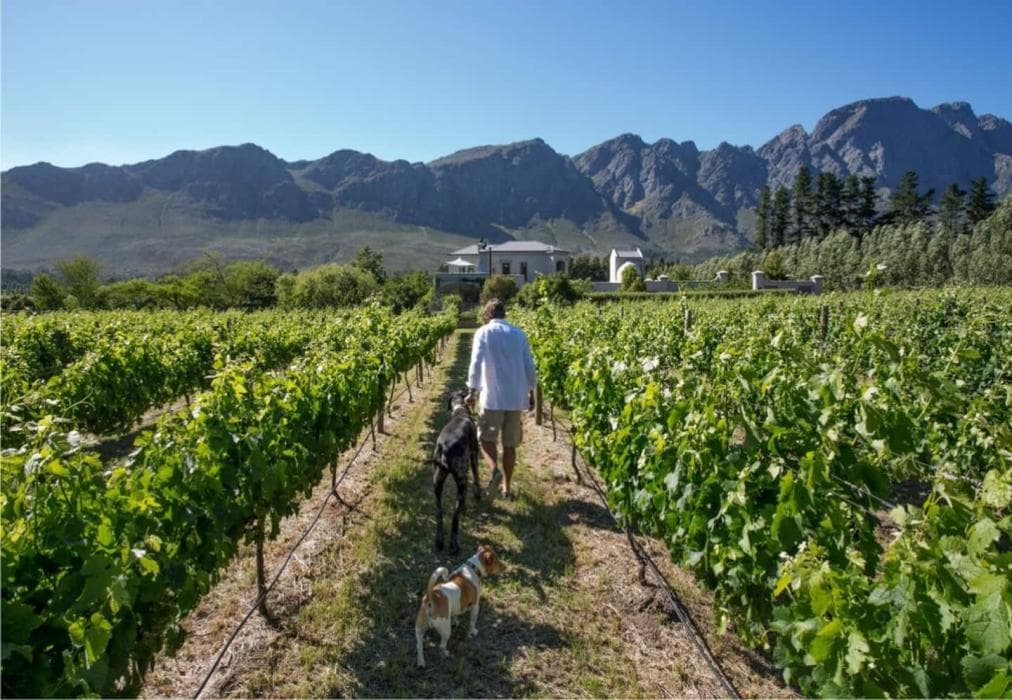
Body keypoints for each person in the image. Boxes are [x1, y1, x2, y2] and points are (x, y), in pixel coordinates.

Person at [465, 298, 537, 499]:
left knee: (486, 439)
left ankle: (494, 470)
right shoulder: (518, 333)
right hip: (515, 399)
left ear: (487, 315)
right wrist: (531, 391)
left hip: (492, 397)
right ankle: (506, 487)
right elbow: (529, 365)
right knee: (510, 444)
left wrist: (472, 390)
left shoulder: (483, 333)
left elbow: (476, 362)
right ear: (504, 314)